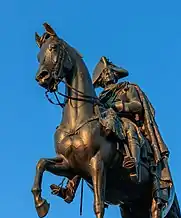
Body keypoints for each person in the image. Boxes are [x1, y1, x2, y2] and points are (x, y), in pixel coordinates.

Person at [51, 56, 172, 209]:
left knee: (129, 127)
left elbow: (137, 106)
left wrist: (118, 106)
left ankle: (133, 163)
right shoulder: (99, 97)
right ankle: (70, 188)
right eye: (104, 73)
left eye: (109, 72)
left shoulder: (127, 88)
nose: (107, 75)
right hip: (106, 123)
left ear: (115, 74)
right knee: (84, 146)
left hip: (122, 120)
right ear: (100, 80)